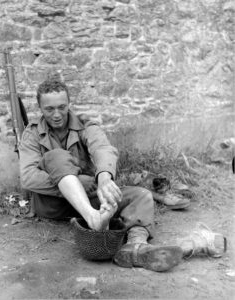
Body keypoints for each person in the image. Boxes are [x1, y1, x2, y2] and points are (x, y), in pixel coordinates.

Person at [19, 78, 226, 272]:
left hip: (92, 196)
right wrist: (76, 183)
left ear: (69, 103)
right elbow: (28, 177)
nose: (56, 114)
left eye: (62, 107)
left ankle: (137, 245)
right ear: (40, 108)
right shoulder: (32, 133)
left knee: (141, 195)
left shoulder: (85, 124)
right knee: (56, 157)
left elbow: (103, 149)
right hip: (54, 205)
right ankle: (93, 219)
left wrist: (104, 178)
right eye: (49, 109)